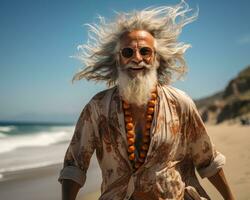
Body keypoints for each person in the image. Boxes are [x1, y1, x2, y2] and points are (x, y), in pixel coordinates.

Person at [58, 1, 235, 200]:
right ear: (118, 59)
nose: (136, 58)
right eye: (127, 52)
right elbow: (74, 166)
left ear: (156, 59)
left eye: (144, 51)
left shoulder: (180, 103)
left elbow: (208, 160)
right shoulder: (97, 108)